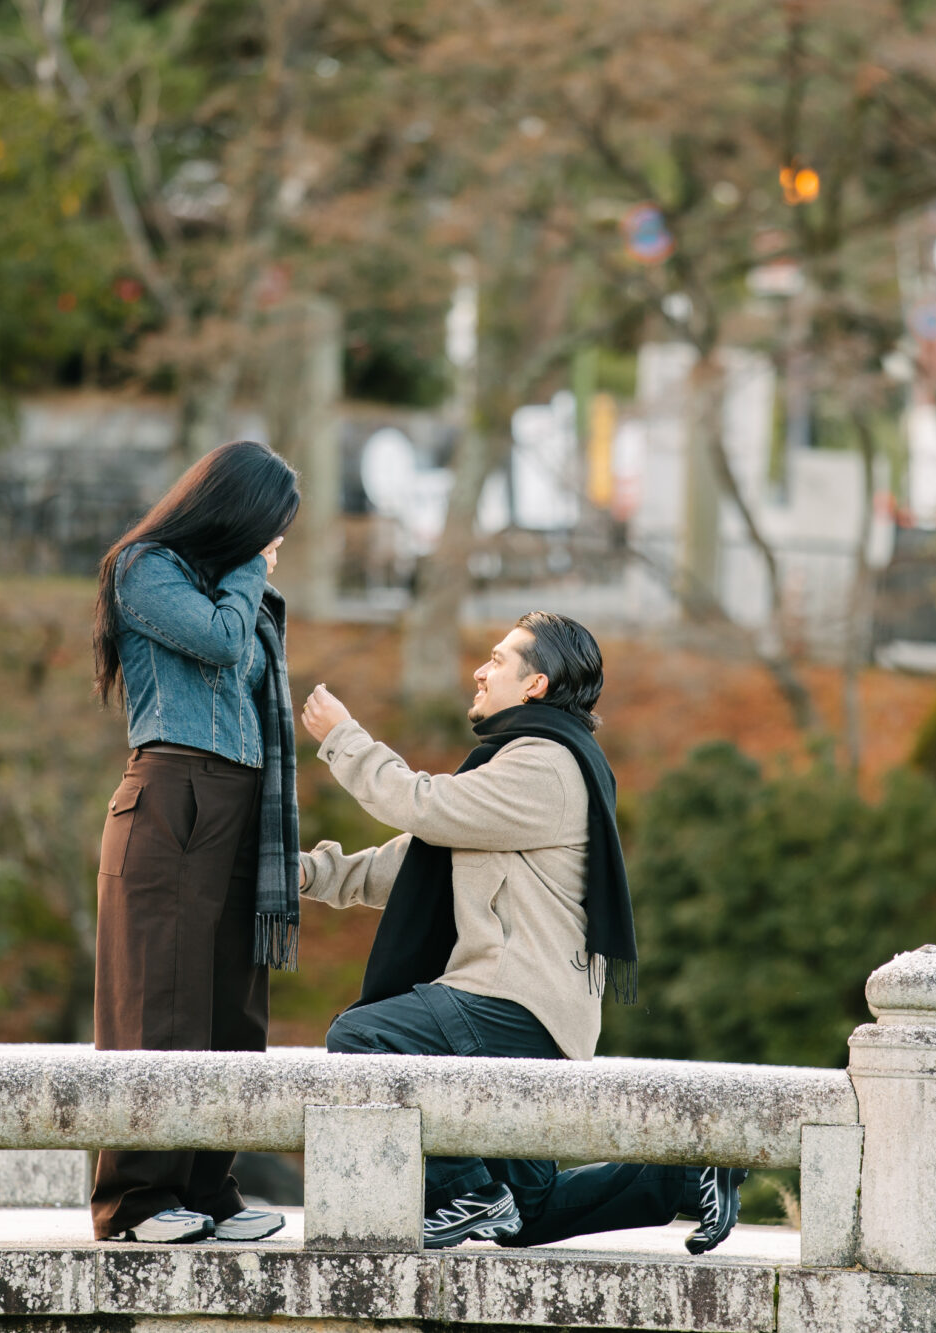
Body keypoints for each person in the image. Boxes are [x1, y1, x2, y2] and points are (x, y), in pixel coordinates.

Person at [295, 612, 747, 1253]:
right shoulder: (519, 765)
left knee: (365, 1035)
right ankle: (683, 1176)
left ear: (535, 685)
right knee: (528, 1213)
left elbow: (424, 805)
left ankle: (464, 1193)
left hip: (513, 1001)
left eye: (498, 660)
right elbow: (410, 861)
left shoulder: (546, 766)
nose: (481, 671)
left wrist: (344, 737)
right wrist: (304, 874)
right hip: (533, 1010)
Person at [88, 440, 303, 1245]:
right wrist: (250, 565)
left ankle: (210, 1189)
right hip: (173, 792)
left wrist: (245, 574)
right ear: (236, 512)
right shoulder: (144, 568)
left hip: (239, 801)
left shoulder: (235, 588)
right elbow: (217, 642)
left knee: (232, 1008)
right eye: (272, 526)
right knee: (162, 1002)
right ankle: (137, 1201)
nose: (278, 543)